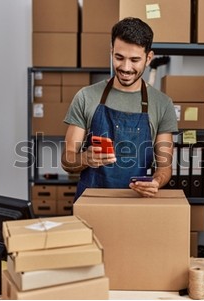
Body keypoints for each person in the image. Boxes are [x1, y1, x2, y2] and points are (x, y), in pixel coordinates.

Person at [61, 17, 178, 201]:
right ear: (111, 51)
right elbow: (67, 160)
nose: (125, 67)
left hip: (136, 205)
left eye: (135, 60)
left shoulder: (162, 104)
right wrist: (85, 158)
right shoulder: (86, 97)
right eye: (119, 57)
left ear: (148, 58)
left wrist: (155, 182)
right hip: (92, 203)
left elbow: (165, 167)